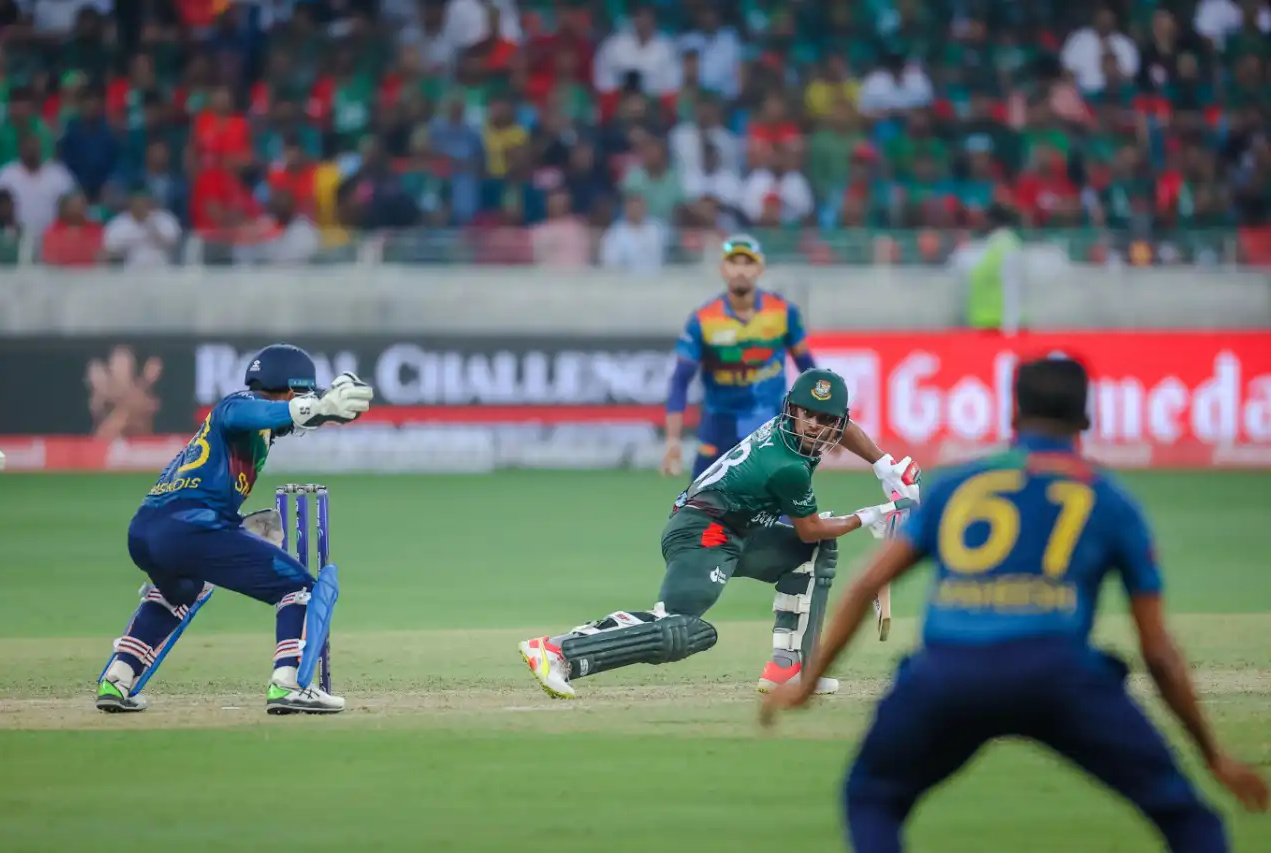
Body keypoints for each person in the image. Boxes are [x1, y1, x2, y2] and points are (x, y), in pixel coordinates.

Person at [761, 358, 1269, 851]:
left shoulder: (959, 485)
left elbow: (860, 586)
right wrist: (1213, 755)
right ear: (1086, 420)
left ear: (1011, 415)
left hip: (947, 675)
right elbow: (1158, 651)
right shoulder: (1110, 499)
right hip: (1060, 677)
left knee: (871, 797)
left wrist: (807, 684)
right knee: (1186, 817)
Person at [520, 369, 913, 699]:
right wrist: (872, 514)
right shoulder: (786, 465)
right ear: (792, 410)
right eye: (808, 415)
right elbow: (809, 529)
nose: (815, 426)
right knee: (680, 628)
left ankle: (791, 669)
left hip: (741, 528)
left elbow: (838, 435)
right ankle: (558, 651)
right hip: (703, 532)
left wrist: (883, 464)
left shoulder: (793, 431)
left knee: (813, 554)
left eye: (826, 420)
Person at [95, 344, 374, 716]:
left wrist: (333, 401)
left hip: (148, 530)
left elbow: (297, 416)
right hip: (193, 529)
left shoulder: (263, 423)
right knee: (298, 587)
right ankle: (287, 685)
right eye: (303, 391)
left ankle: (118, 677)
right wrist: (317, 404)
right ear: (290, 387)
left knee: (181, 591)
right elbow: (261, 412)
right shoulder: (236, 407)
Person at [660, 234, 921, 538]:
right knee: (703, 525)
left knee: (787, 527)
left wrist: (825, 424)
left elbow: (810, 370)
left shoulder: (782, 313)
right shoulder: (704, 320)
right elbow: (679, 381)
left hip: (773, 431)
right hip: (719, 430)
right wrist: (672, 441)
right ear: (723, 269)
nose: (741, 270)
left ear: (760, 268)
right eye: (734, 262)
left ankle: (791, 581)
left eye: (748, 263)